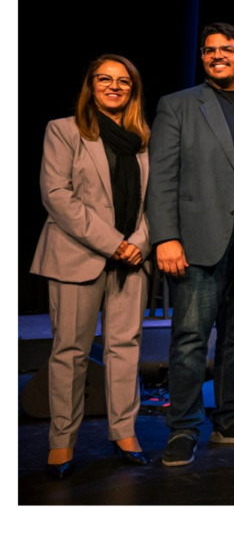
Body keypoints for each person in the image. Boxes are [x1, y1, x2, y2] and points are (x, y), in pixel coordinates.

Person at [147, 23, 234, 467]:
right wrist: (166, 237)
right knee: (189, 340)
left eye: (227, 49)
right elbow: (162, 178)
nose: (217, 56)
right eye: (209, 51)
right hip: (197, 241)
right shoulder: (178, 106)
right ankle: (184, 427)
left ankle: (228, 418)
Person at [32, 55, 153, 478]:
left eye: (123, 82)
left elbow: (155, 200)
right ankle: (62, 442)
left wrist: (137, 243)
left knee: (126, 349)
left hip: (132, 260)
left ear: (133, 90)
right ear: (91, 85)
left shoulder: (144, 138)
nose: (114, 87)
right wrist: (114, 243)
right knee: (70, 352)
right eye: (105, 79)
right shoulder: (63, 131)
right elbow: (57, 195)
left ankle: (125, 433)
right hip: (76, 256)